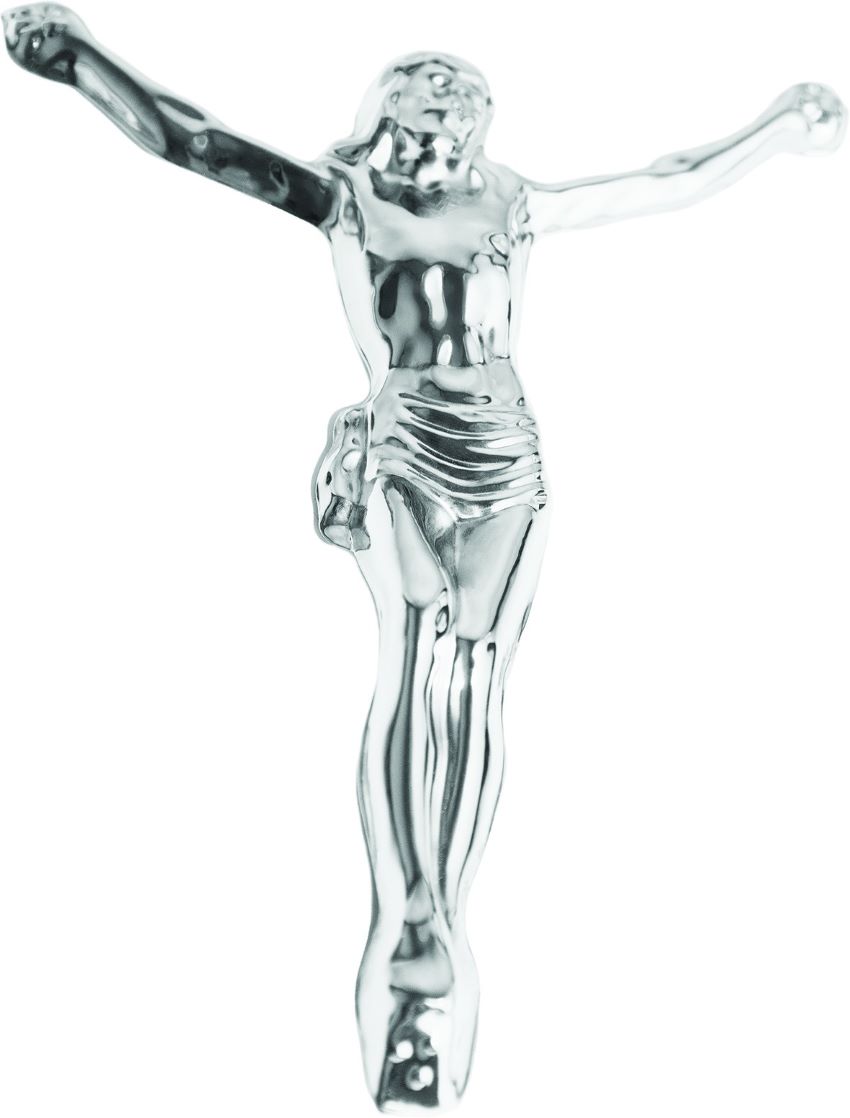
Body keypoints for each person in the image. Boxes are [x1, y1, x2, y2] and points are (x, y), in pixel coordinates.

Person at [5, 7, 845, 1110]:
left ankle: (444, 903)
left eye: (464, 89)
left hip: (506, 448)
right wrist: (77, 60)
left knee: (483, 668)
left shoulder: (513, 202)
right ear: (387, 105)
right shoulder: (346, 197)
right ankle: (407, 910)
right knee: (418, 637)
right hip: (405, 435)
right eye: (427, 82)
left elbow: (666, 179)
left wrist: (775, 129)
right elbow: (191, 138)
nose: (449, 96)